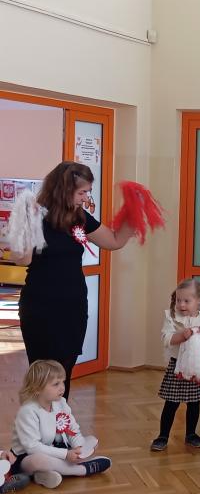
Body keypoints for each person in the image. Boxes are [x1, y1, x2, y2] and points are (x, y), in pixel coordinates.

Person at [12, 162, 134, 397]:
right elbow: (23, 260)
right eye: (82, 192)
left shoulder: (79, 217)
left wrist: (135, 213)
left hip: (73, 308)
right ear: (64, 190)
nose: (85, 198)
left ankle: (60, 420)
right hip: (40, 309)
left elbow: (114, 241)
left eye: (88, 192)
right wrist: (27, 224)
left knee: (63, 373)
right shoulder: (37, 215)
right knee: (43, 374)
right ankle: (39, 420)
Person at [10, 360, 112, 488]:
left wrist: (78, 447)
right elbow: (33, 447)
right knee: (39, 460)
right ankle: (81, 470)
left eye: (63, 382)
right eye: (56, 384)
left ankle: (43, 475)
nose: (62, 387)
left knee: (92, 441)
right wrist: (65, 454)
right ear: (38, 388)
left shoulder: (61, 403)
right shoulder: (28, 411)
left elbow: (72, 429)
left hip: (56, 448)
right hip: (28, 456)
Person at [150, 279, 200, 451]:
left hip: (196, 367)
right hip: (177, 367)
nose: (182, 304)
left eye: (187, 301)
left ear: (198, 300)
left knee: (194, 403)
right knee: (171, 403)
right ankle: (163, 435)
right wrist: (181, 336)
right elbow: (166, 338)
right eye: (179, 300)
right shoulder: (172, 317)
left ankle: (191, 434)